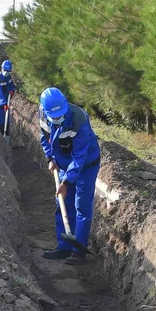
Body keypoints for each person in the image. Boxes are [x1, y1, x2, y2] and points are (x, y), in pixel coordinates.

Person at [39, 87, 101, 265]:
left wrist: (65, 182)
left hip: (86, 164)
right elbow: (45, 138)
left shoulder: (79, 119)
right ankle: (64, 246)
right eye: (54, 116)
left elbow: (79, 157)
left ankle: (78, 251)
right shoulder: (44, 114)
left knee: (81, 205)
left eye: (60, 115)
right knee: (62, 203)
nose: (57, 119)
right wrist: (50, 157)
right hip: (63, 163)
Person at [0, 60, 17, 129]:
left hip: (6, 103)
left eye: (8, 71)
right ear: (1, 68)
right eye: (5, 70)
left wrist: (12, 90)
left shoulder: (9, 77)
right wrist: (3, 104)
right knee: (0, 122)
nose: (6, 72)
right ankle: (1, 134)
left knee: (7, 121)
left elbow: (12, 86)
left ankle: (7, 133)